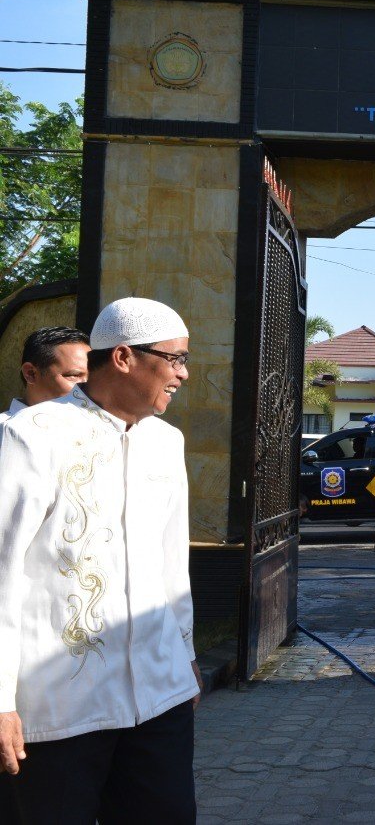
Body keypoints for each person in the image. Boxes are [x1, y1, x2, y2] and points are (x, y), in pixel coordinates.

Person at [0, 297, 202, 823]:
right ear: (124, 357)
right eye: (174, 358)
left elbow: (171, 563)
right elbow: (2, 571)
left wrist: (185, 656)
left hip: (159, 696)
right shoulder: (32, 434)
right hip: (61, 706)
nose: (182, 373)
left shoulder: (166, 442)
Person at [0, 326, 90, 423]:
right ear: (31, 373)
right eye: (75, 375)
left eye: (92, 377)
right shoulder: (6, 428)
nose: (88, 385)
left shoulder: (91, 425)